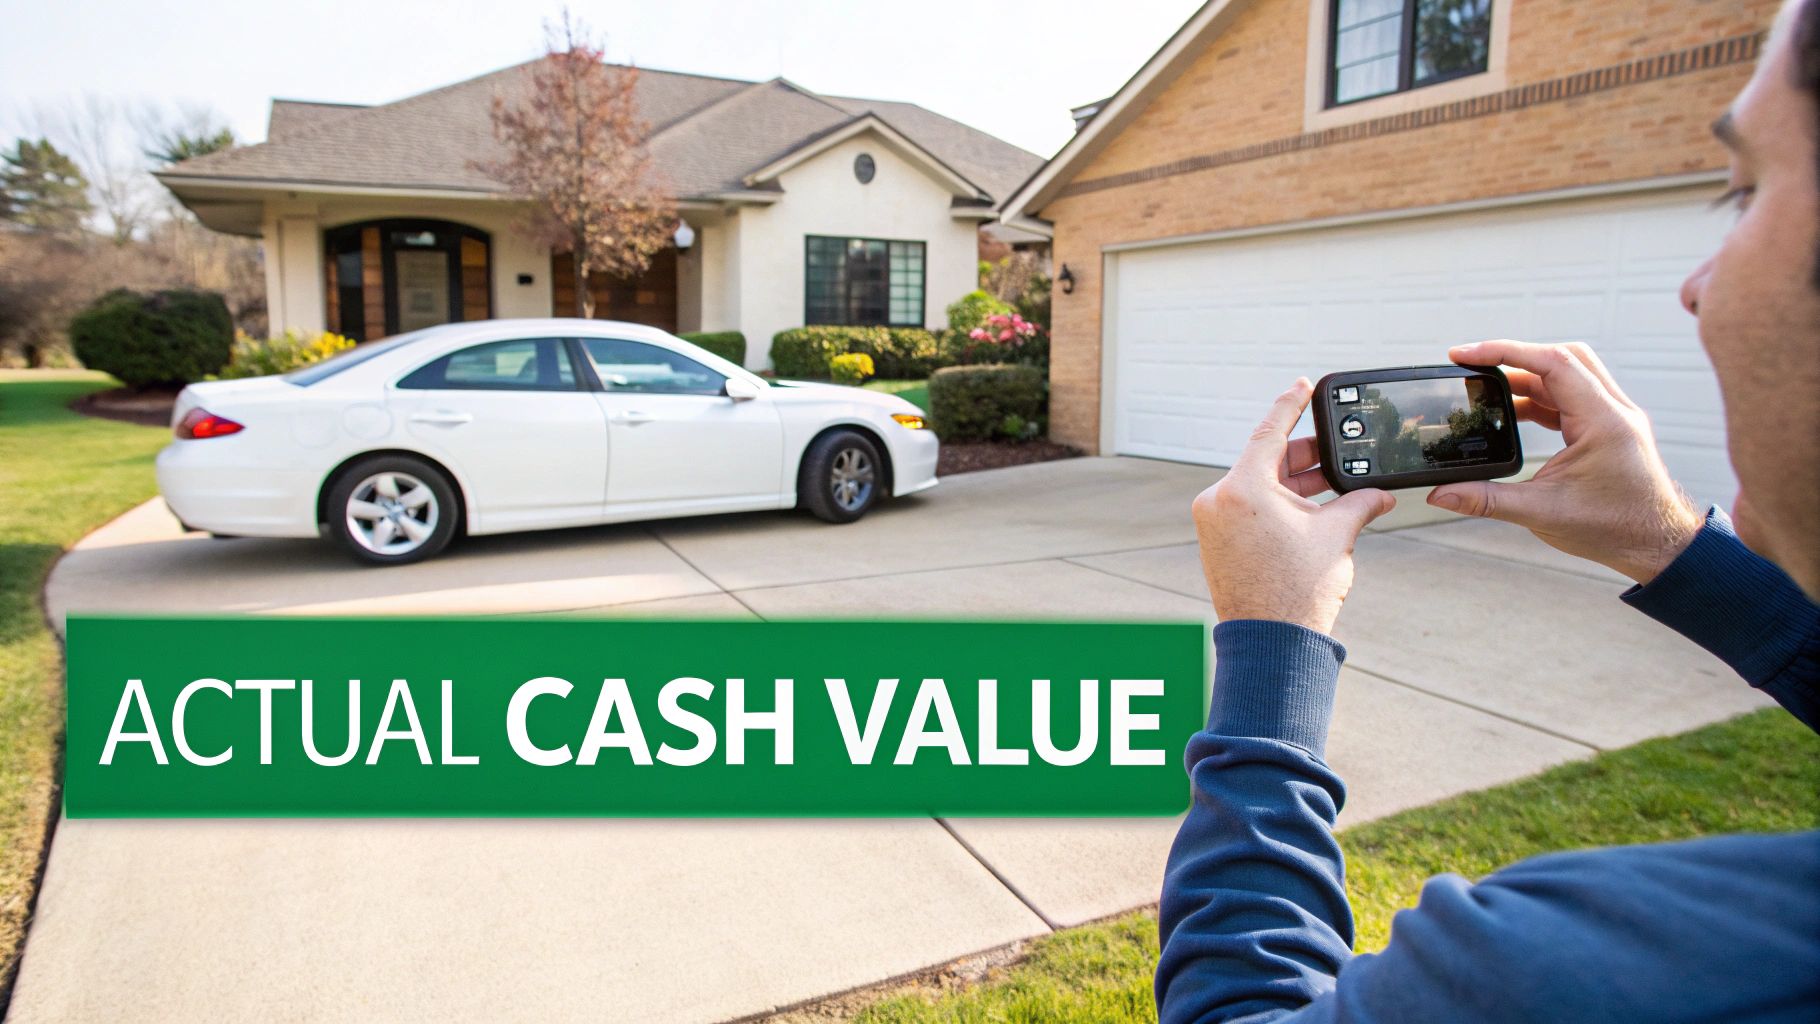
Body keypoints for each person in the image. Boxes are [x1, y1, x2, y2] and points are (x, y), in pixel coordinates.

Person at [1155, 0, 1820, 1019]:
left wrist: (1268, 640)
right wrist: (1668, 543)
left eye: (1741, 195)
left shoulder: (1567, 973)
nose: (1692, 286)